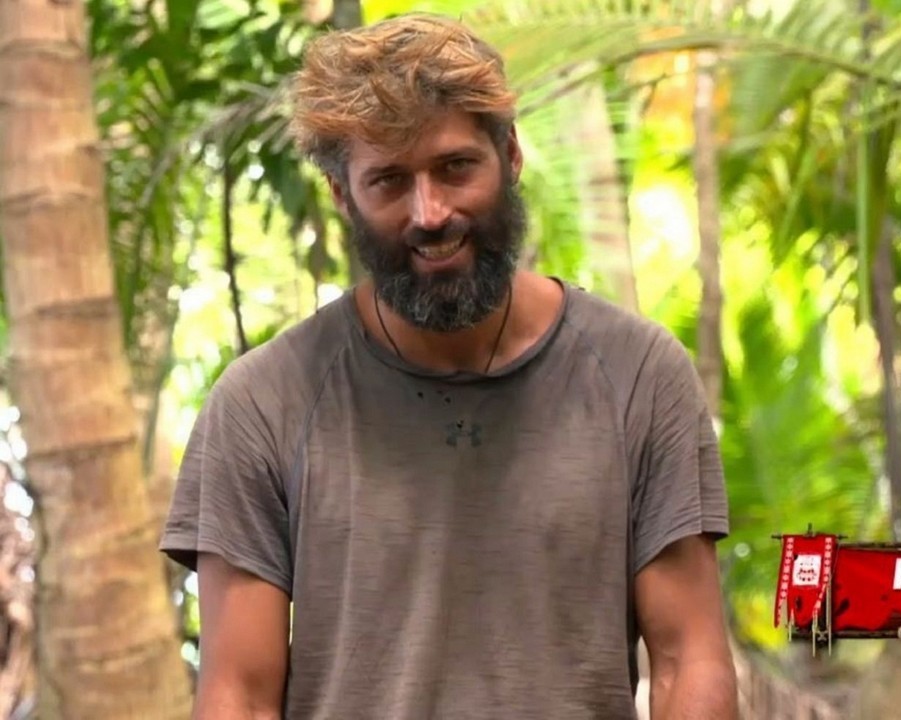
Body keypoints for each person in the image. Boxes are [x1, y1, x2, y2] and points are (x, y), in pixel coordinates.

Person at [159, 12, 737, 720]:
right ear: (343, 196)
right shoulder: (263, 403)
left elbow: (688, 662)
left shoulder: (638, 375)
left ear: (510, 156)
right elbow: (239, 697)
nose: (430, 213)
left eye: (455, 167)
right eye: (389, 181)